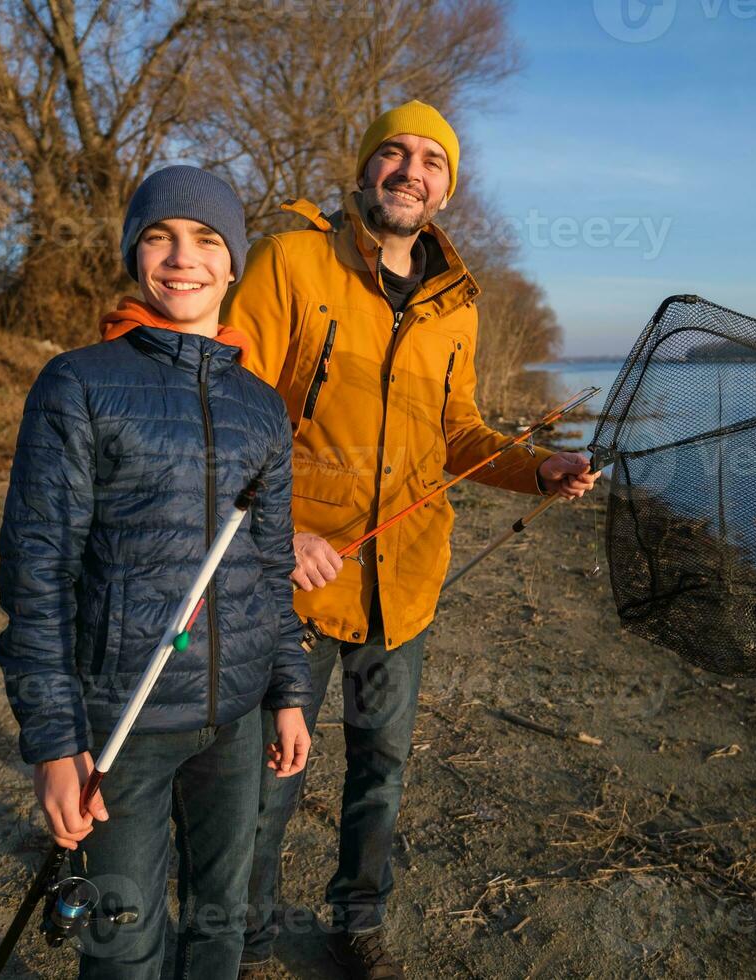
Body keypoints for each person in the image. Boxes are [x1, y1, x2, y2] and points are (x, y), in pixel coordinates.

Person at [221, 101, 599, 978]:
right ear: (365, 168)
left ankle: (358, 923)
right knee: (270, 776)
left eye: (432, 160)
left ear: (445, 189)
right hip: (297, 579)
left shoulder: (457, 306)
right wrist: (287, 533)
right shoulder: (291, 261)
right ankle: (241, 940)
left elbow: (458, 434)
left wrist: (537, 468)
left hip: (409, 580)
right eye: (394, 152)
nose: (410, 169)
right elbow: (232, 413)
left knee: (380, 768)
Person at [0, 165, 314, 980]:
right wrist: (54, 741)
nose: (183, 258)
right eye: (160, 237)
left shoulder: (263, 405)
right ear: (135, 252)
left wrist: (288, 694)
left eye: (207, 240)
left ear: (234, 262)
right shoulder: (80, 382)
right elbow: (37, 570)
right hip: (120, 723)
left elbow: (270, 567)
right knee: (123, 935)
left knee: (221, 921)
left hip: (236, 718)